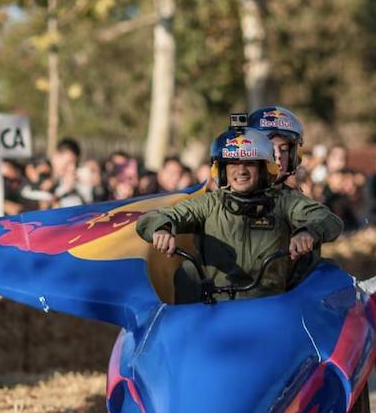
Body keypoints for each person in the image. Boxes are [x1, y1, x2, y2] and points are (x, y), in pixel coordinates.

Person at [136, 126, 342, 300]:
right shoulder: (208, 204)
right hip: (215, 311)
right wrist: (161, 228)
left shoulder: (285, 202)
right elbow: (157, 216)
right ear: (222, 170)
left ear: (264, 169)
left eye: (250, 163)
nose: (241, 171)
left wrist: (308, 232)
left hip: (272, 310)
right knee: (187, 272)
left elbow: (327, 219)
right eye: (233, 163)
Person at [248, 106, 304, 182]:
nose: (278, 155)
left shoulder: (298, 193)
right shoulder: (232, 192)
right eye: (270, 148)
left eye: (284, 149)